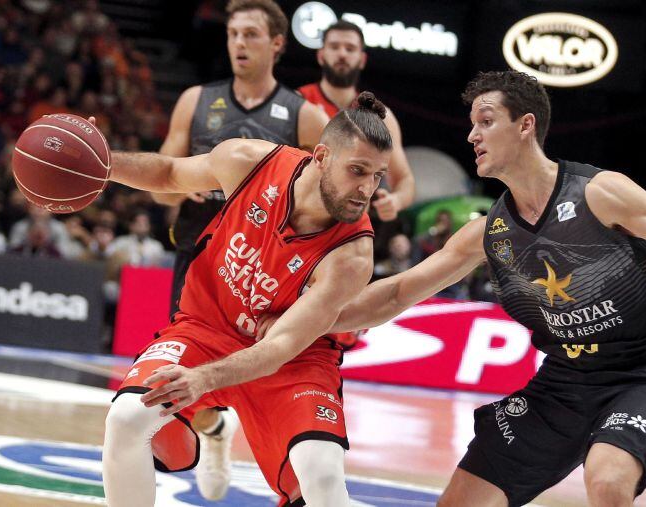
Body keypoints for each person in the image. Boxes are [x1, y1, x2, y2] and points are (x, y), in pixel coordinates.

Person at [279, 71, 646, 507]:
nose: (472, 135)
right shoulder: (488, 233)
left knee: (608, 479)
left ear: (525, 125)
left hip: (645, 371)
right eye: (472, 124)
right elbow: (396, 294)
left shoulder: (599, 194)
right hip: (564, 380)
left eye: (485, 121)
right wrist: (298, 321)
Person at [101, 92, 392, 507]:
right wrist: (103, 162)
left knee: (323, 480)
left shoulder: (353, 254)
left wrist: (203, 379)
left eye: (378, 176)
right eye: (357, 171)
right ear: (322, 156)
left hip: (292, 362)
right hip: (206, 329)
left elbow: (279, 348)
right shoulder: (250, 161)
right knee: (126, 418)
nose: (366, 189)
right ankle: (212, 429)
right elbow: (167, 173)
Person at [149, 0, 329, 497]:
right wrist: (178, 181)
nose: (239, 44)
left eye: (251, 34)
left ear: (276, 43)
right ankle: (214, 431)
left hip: (269, 275)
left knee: (266, 383)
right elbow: (161, 177)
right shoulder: (196, 100)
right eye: (232, 34)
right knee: (184, 385)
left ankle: (297, 476)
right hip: (202, 264)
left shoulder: (305, 116)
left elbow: (327, 203)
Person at [297, 20, 415, 223]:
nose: (342, 53)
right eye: (334, 47)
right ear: (321, 55)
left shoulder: (380, 115)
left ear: (362, 59)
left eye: (350, 48)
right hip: (298, 220)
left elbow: (405, 180)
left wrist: (395, 201)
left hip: (348, 231)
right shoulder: (297, 103)